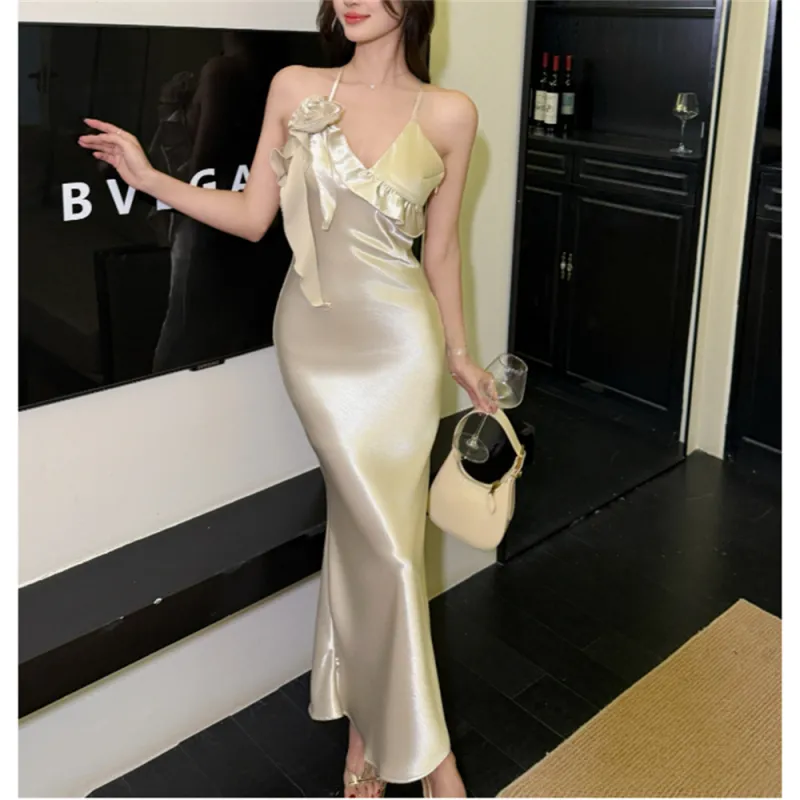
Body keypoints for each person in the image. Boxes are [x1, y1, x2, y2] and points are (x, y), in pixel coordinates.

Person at [78, 1, 497, 796]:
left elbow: (440, 251)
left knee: (374, 541)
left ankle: (364, 746)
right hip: (316, 340)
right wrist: (150, 178)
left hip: (401, 348)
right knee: (389, 548)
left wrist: (460, 356)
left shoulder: (450, 113)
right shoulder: (296, 86)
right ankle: (434, 763)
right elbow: (250, 217)